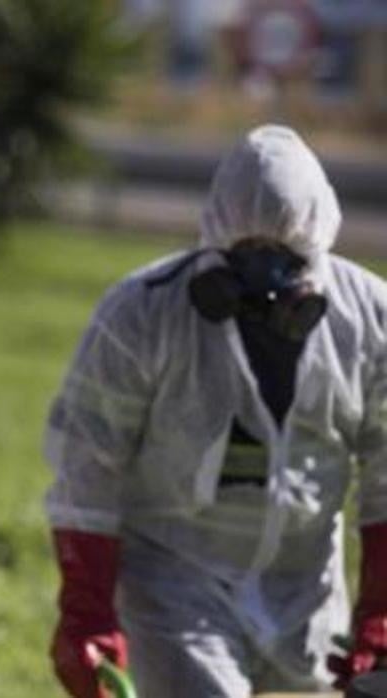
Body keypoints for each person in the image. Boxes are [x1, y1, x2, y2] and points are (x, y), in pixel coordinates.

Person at [44, 124, 387, 697]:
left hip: (307, 591)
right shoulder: (142, 313)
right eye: (245, 255)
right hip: (177, 582)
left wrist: (380, 615)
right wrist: (87, 611)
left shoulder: (370, 319)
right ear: (214, 240)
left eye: (287, 259)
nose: (265, 281)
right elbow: (88, 468)